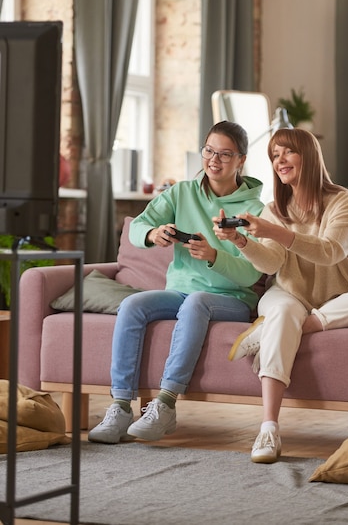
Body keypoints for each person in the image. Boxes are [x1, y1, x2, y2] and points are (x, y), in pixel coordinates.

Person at [214, 128, 348, 464]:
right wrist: (240, 241)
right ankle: (268, 428)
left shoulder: (345, 202)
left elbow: (331, 252)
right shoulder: (273, 209)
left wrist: (277, 232)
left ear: (308, 156)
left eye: (287, 152)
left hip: (335, 300)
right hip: (287, 294)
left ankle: (274, 332)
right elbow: (272, 262)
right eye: (274, 155)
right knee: (281, 312)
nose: (279, 161)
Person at [88, 120, 264, 444]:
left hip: (232, 299)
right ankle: (120, 405)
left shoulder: (256, 208)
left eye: (225, 154)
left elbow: (252, 274)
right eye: (209, 150)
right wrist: (154, 234)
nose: (214, 160)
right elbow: (138, 226)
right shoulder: (181, 192)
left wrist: (213, 255)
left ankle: (166, 404)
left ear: (241, 160)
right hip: (179, 291)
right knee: (133, 304)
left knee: (197, 301)